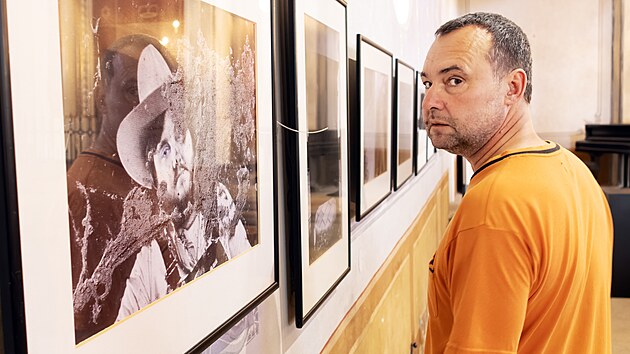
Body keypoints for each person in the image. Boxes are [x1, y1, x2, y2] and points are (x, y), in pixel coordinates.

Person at [420, 12, 613, 353]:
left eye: (454, 81)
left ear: (513, 88)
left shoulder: (493, 207)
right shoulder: (578, 174)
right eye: (428, 83)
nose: (431, 101)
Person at [114, 44, 251, 317]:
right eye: (165, 150)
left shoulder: (219, 203)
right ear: (152, 171)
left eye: (180, 136)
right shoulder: (150, 255)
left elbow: (250, 294)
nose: (178, 158)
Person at [66, 34, 175, 343]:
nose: (147, 105)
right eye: (132, 89)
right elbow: (90, 331)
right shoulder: (91, 193)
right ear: (102, 97)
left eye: (158, 93)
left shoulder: (149, 171)